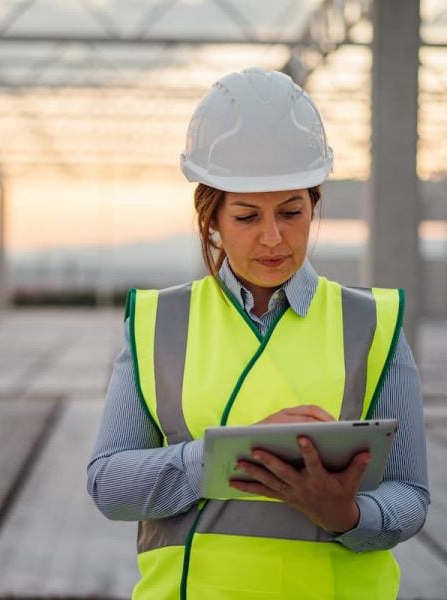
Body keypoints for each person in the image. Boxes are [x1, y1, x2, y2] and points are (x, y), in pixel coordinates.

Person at [87, 68, 429, 600]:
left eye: (291, 212)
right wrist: (229, 455)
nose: (273, 238)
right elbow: (109, 485)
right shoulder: (159, 321)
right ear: (213, 219)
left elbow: (411, 494)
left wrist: (349, 513)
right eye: (247, 216)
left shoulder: (373, 324)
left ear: (314, 205)